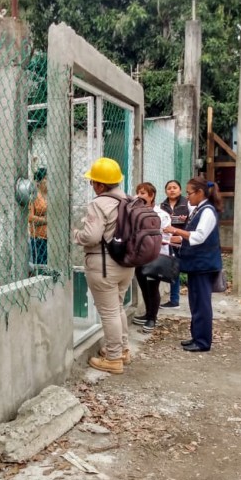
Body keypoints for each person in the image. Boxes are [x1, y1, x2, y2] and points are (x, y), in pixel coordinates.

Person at [73, 157, 134, 374]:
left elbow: (91, 237)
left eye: (93, 182)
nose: (92, 186)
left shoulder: (98, 204)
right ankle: (122, 350)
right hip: (127, 263)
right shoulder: (129, 199)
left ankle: (114, 358)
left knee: (108, 313)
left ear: (100, 184)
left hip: (104, 264)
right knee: (117, 308)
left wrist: (76, 235)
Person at [164, 177, 223, 352]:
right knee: (195, 303)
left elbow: (198, 237)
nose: (187, 197)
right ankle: (196, 336)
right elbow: (191, 237)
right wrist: (175, 240)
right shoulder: (198, 209)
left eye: (189, 193)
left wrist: (176, 230)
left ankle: (203, 341)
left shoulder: (207, 211)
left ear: (200, 193)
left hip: (203, 266)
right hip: (196, 265)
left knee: (202, 304)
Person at [131, 182, 171, 333]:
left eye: (143, 193)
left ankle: (152, 318)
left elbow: (167, 236)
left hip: (156, 255)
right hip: (139, 255)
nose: (140, 196)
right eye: (138, 193)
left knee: (153, 287)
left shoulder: (161, 215)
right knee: (143, 286)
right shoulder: (135, 213)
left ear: (151, 195)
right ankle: (148, 313)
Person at [159, 179, 190, 309]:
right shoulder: (162, 206)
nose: (172, 190)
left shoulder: (187, 204)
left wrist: (182, 237)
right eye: (169, 188)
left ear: (180, 190)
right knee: (173, 269)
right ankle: (174, 300)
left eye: (174, 187)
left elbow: (192, 224)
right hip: (168, 242)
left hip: (184, 241)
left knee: (188, 268)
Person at [28, 167, 48, 266]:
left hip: (51, 239)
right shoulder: (34, 196)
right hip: (39, 239)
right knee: (41, 267)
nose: (48, 181)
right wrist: (46, 220)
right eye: (46, 178)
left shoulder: (51, 195)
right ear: (39, 181)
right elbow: (30, 218)